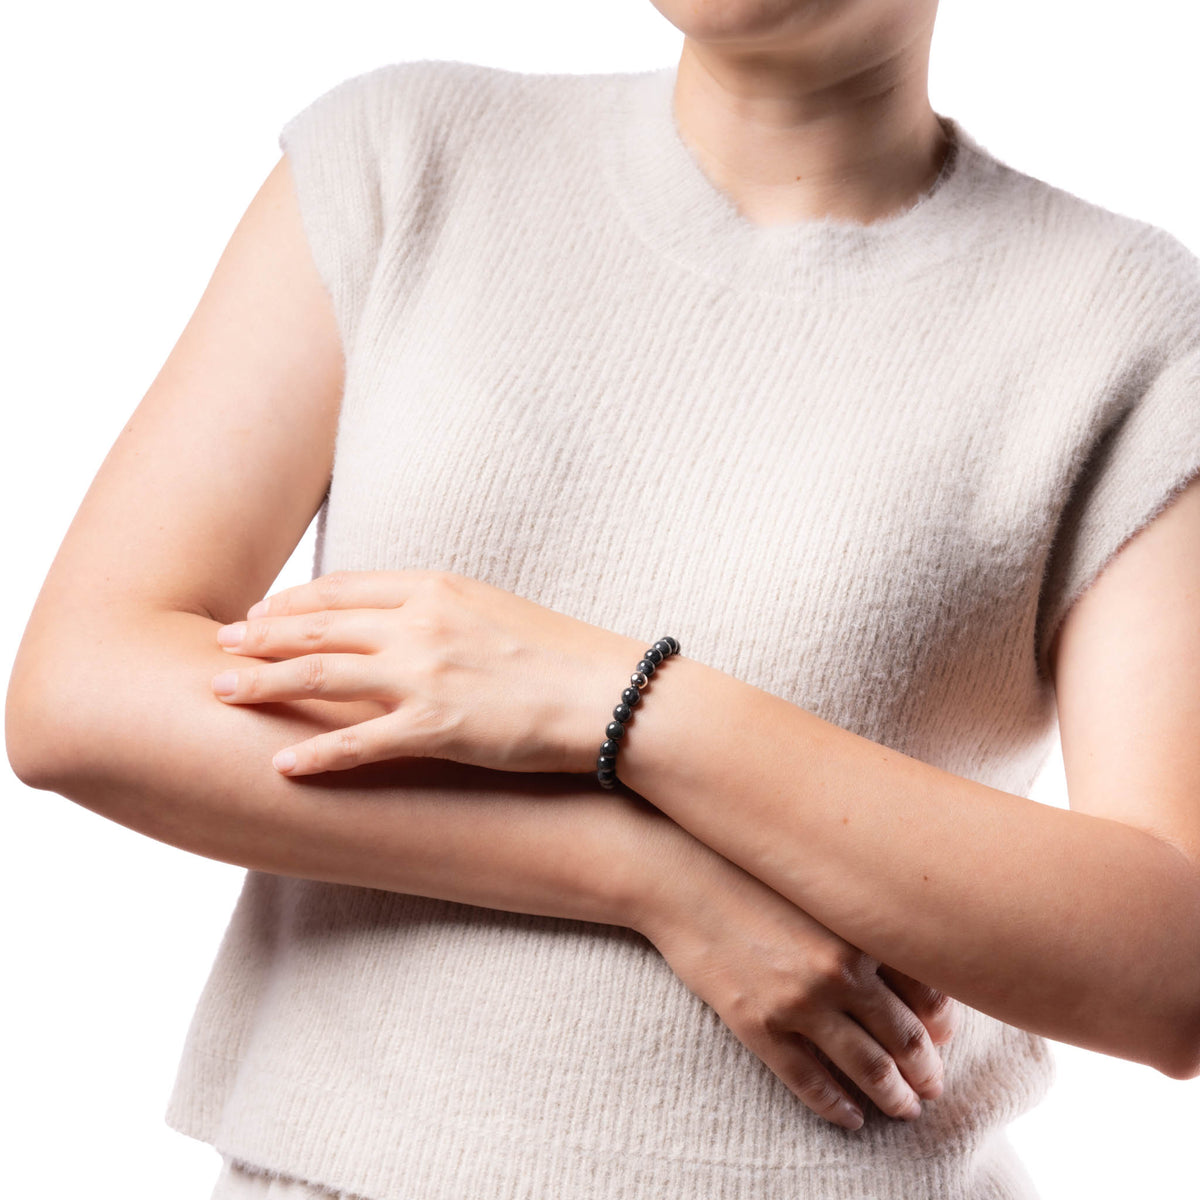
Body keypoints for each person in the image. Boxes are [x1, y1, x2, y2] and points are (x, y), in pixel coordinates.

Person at [7, 0, 1200, 1197]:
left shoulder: (1127, 322)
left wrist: (625, 699)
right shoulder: (410, 154)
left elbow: (1173, 963)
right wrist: (643, 873)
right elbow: (82, 695)